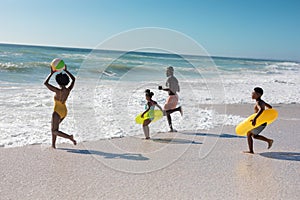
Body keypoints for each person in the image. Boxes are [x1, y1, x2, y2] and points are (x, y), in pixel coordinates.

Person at [44, 65, 77, 148]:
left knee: (54, 130)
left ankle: (69, 137)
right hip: (64, 111)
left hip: (57, 111)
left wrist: (51, 73)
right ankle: (53, 145)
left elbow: (45, 83)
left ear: (58, 82)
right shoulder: (68, 90)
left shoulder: (58, 91)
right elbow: (73, 79)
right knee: (54, 129)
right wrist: (66, 70)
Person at [244, 87, 274, 154]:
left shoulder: (259, 102)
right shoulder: (261, 101)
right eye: (252, 93)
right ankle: (269, 141)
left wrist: (255, 119)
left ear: (258, 95)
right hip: (261, 122)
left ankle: (251, 151)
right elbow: (270, 107)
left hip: (260, 122)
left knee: (249, 134)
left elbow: (261, 109)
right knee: (254, 136)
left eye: (253, 93)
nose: (252, 95)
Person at [158, 66, 182, 132]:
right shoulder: (175, 79)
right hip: (174, 97)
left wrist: (162, 89)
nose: (166, 72)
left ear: (170, 72)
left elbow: (170, 89)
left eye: (167, 71)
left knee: (165, 113)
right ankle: (171, 128)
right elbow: (178, 89)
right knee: (167, 113)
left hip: (172, 98)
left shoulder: (170, 79)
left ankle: (178, 109)